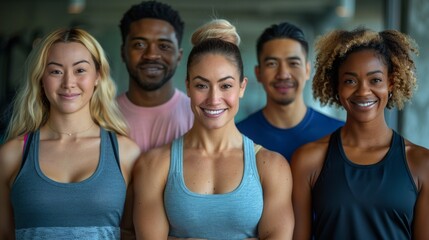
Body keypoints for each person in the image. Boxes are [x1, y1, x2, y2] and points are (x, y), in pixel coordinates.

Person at [132, 22, 294, 239]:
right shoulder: (153, 164)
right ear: (188, 86)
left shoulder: (272, 166)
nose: (214, 99)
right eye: (202, 85)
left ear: (242, 87)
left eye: (226, 85)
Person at [0, 28, 141, 239]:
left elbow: (132, 233)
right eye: (56, 71)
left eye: (80, 70)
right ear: (41, 79)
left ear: (98, 76)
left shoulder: (126, 153)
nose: (68, 83)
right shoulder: (11, 155)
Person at [291, 27, 429, 239]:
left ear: (390, 83)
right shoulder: (308, 160)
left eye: (375, 80)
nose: (363, 91)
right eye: (350, 81)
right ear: (336, 86)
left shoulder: (421, 163)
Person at [237, 22, 344, 161]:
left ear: (307, 70)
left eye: (293, 63)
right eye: (272, 64)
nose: (283, 74)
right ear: (258, 73)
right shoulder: (238, 137)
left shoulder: (339, 134)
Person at [117, 0, 194, 152]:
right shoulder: (101, 117)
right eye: (139, 44)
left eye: (164, 46)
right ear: (123, 53)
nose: (151, 55)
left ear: (179, 56)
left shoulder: (197, 116)